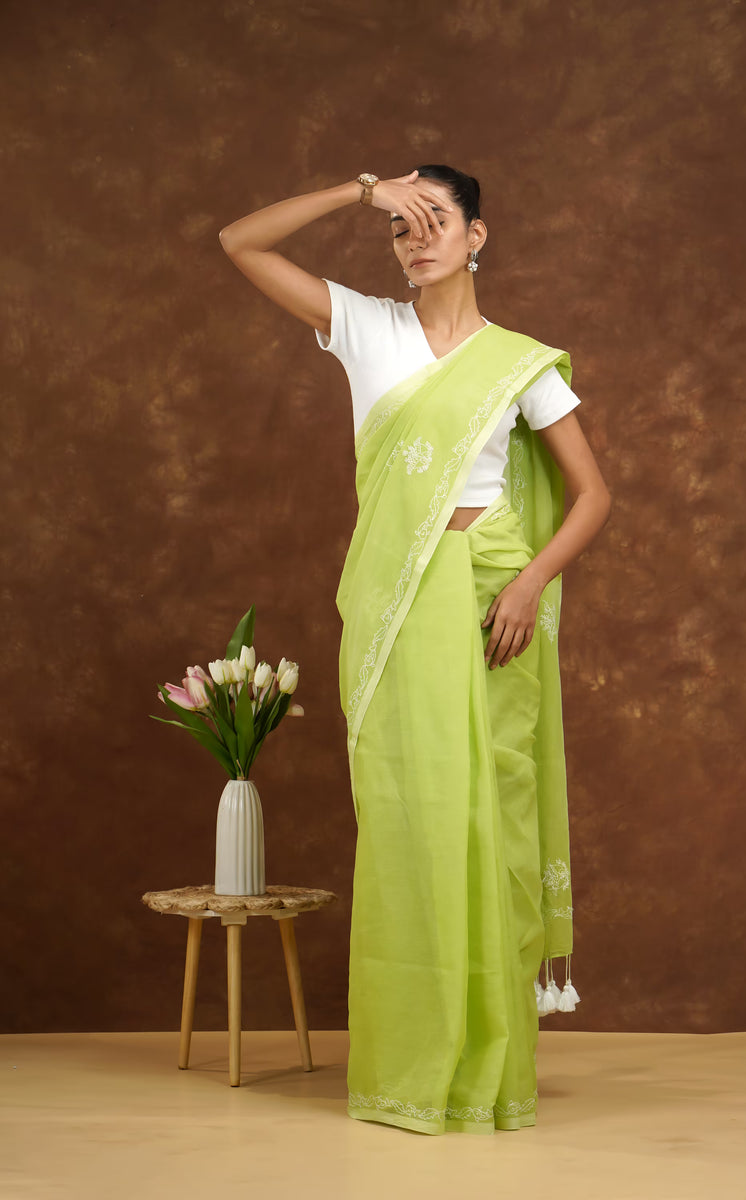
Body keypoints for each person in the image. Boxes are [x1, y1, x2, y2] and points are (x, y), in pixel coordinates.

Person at [219, 166, 612, 1135]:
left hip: (490, 599)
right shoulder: (366, 328)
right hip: (398, 596)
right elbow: (241, 242)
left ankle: (488, 1067)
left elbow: (593, 494)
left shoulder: (520, 362)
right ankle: (409, 1065)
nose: (417, 238)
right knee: (412, 818)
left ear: (477, 236)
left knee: (490, 814)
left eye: (436, 221)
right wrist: (359, 189)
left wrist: (525, 585)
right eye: (402, 226)